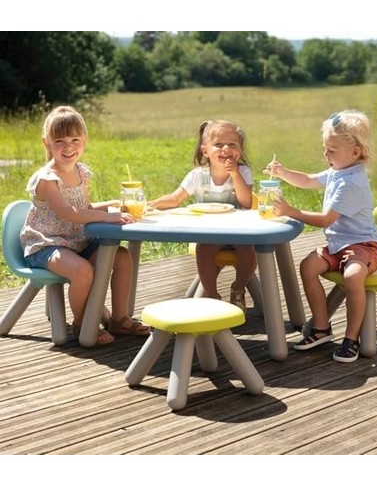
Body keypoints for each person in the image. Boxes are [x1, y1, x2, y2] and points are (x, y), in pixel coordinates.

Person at [20, 105, 150, 346]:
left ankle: (119, 319)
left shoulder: (81, 172)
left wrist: (112, 205)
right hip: (46, 246)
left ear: (84, 140)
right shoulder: (47, 179)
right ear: (47, 143)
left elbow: (85, 207)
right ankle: (83, 323)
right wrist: (107, 217)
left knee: (122, 257)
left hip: (77, 242)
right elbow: (68, 213)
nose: (68, 147)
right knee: (83, 270)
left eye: (74, 140)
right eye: (60, 141)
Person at [264, 109, 377, 362]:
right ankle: (321, 327)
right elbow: (308, 180)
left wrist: (291, 211)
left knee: (352, 276)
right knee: (308, 266)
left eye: (332, 150)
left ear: (355, 152)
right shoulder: (338, 171)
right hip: (338, 245)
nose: (325, 154)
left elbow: (326, 219)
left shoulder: (352, 182)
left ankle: (351, 338)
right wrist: (283, 172)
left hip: (363, 245)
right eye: (325, 148)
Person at [149, 119, 257, 312]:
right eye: (218, 144)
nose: (226, 149)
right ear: (205, 150)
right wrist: (150, 205)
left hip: (238, 231)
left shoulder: (243, 172)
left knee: (248, 252)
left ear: (240, 151)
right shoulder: (198, 176)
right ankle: (212, 294)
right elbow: (175, 199)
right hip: (209, 233)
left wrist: (235, 175)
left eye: (232, 144)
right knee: (204, 250)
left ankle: (238, 288)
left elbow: (247, 202)